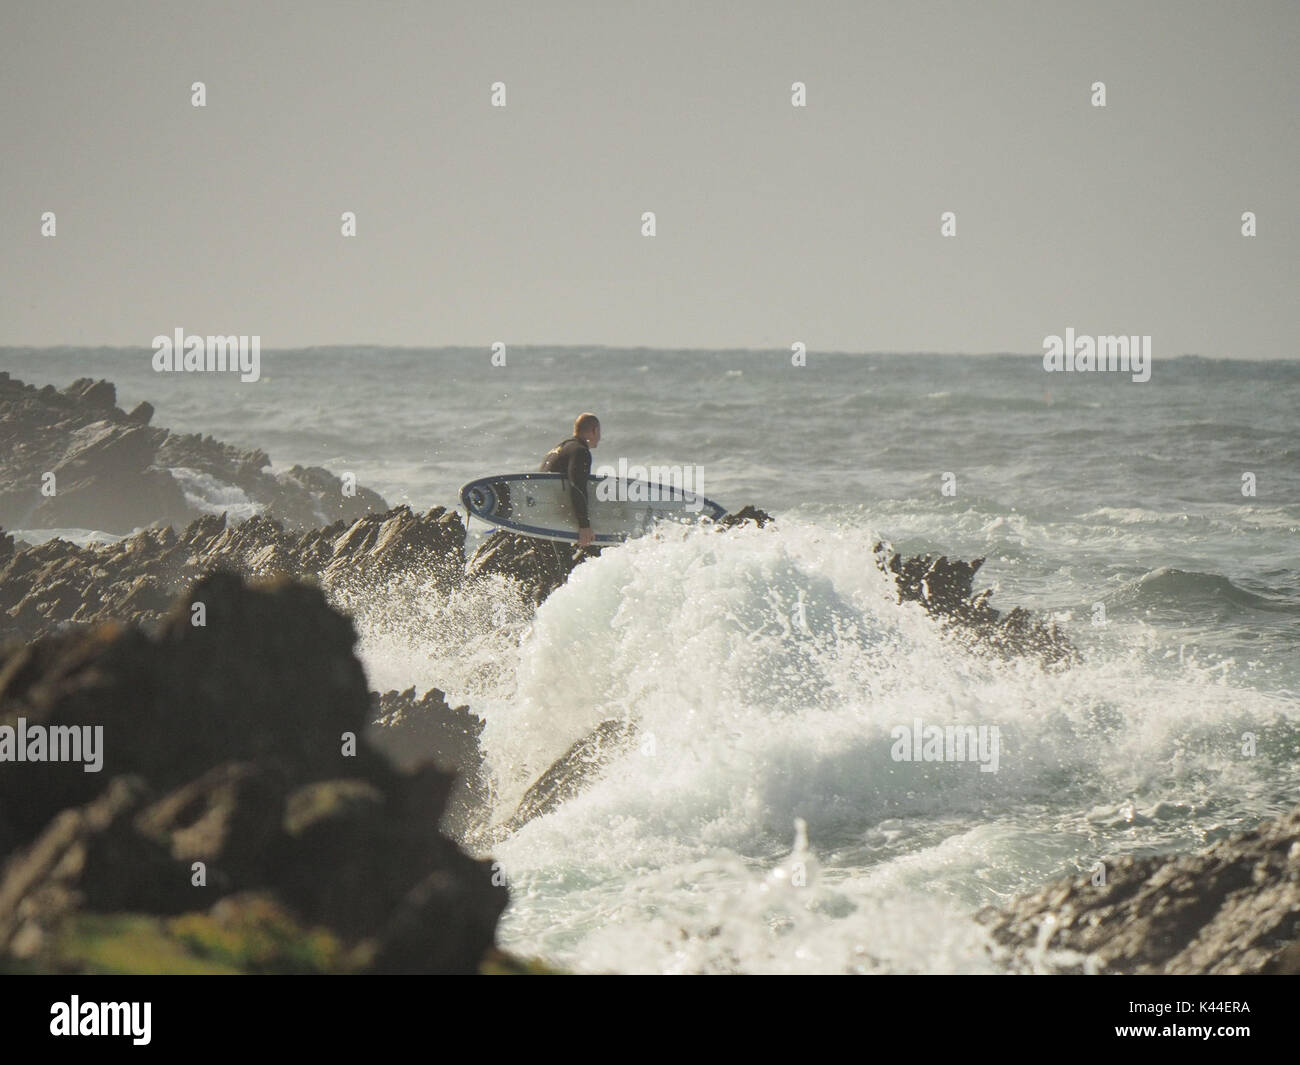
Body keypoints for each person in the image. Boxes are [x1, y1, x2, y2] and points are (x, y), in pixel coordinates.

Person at [540, 413, 600, 547]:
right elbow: (577, 486)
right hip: (553, 517)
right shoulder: (580, 451)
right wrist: (584, 526)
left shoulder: (558, 449)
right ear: (594, 431)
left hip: (543, 514)